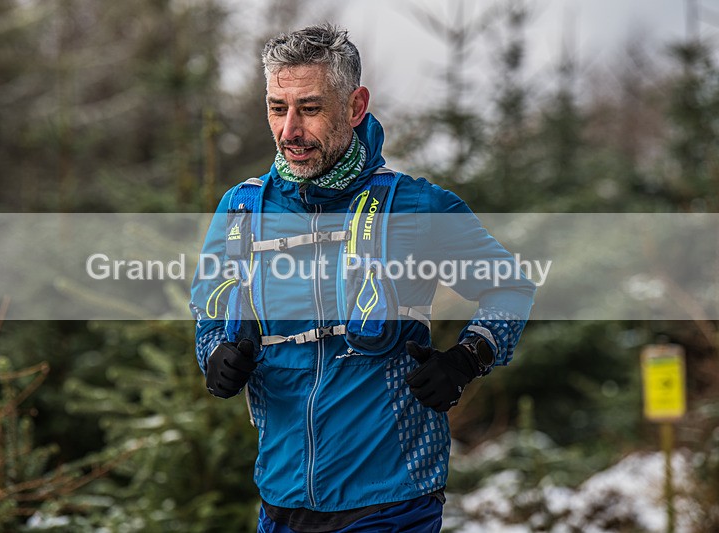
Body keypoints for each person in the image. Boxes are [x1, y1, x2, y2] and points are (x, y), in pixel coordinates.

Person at [190, 23, 536, 533]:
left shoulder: (415, 207)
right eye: (277, 108)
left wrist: (468, 358)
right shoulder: (241, 209)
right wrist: (214, 350)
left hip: (390, 501)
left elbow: (510, 286)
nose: (289, 131)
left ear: (354, 107)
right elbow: (207, 306)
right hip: (281, 500)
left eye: (309, 108)